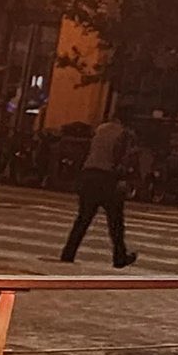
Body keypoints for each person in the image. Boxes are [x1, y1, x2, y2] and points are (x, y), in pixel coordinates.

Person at [60, 110, 138, 267]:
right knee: (115, 221)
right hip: (107, 178)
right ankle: (119, 256)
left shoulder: (100, 129)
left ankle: (68, 253)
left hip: (89, 174)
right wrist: (123, 178)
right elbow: (120, 157)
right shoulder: (125, 134)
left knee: (83, 219)